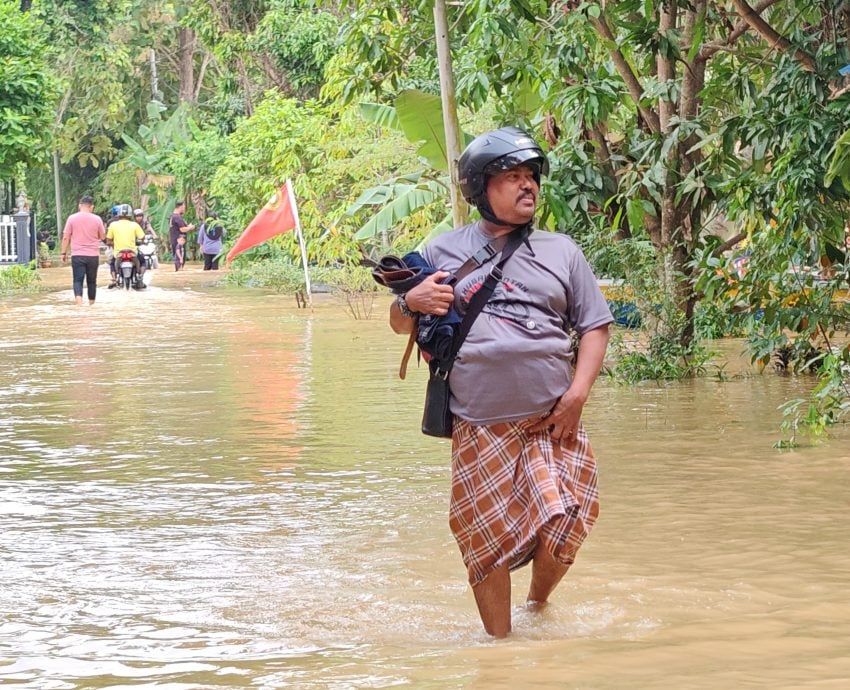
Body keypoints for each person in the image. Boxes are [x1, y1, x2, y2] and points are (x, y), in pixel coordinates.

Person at [389, 127, 613, 638]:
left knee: (570, 523)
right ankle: (500, 649)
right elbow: (400, 323)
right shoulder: (442, 250)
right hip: (479, 423)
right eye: (512, 176)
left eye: (531, 176)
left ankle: (537, 603)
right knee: (484, 536)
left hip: (553, 422)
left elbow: (594, 325)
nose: (527, 186)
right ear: (479, 188)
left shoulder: (562, 251)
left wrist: (578, 394)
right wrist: (411, 301)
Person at [59, 195, 106, 305]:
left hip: (77, 255)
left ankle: (79, 304)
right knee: (92, 281)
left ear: (80, 205)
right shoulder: (97, 219)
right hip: (93, 255)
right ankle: (91, 304)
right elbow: (103, 237)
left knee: (78, 280)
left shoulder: (72, 218)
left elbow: (66, 237)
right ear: (92, 207)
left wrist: (63, 253)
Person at [105, 203, 146, 288]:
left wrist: (114, 243)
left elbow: (108, 241)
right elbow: (142, 237)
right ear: (130, 214)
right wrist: (140, 242)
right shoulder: (135, 225)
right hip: (133, 252)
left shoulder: (113, 225)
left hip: (118, 253)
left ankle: (114, 278)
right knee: (143, 261)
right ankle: (140, 277)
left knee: (112, 263)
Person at [169, 201, 195, 265]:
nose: (184, 209)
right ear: (180, 207)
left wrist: (187, 226)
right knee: (180, 259)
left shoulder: (172, 216)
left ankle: (178, 272)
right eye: (183, 207)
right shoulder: (177, 217)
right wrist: (190, 227)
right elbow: (182, 229)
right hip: (179, 241)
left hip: (174, 240)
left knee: (177, 258)